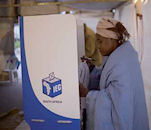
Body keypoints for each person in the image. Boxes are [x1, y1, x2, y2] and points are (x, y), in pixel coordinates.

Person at [80, 18, 149, 130]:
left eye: (100, 41)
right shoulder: (121, 55)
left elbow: (118, 105)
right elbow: (106, 79)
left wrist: (87, 94)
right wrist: (92, 68)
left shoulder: (121, 63)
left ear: (112, 39)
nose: (97, 45)